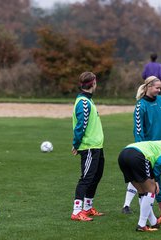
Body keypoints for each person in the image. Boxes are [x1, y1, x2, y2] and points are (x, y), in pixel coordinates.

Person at [121, 76, 161, 217]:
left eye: (160, 87)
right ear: (149, 87)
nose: (159, 90)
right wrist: (140, 145)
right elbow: (138, 129)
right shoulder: (140, 105)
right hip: (149, 149)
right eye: (157, 87)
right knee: (141, 176)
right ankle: (126, 205)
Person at [118, 131, 161, 232]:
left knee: (143, 192)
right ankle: (141, 224)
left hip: (124, 154)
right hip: (138, 156)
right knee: (150, 191)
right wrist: (155, 182)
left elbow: (157, 170)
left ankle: (154, 222)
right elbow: (160, 165)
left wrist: (160, 199)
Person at [71, 72, 105, 221]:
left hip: (97, 146)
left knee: (96, 177)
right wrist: (76, 144)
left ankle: (87, 207)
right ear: (93, 83)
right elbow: (81, 125)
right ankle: (76, 211)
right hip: (89, 147)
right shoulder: (84, 102)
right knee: (86, 178)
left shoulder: (88, 100)